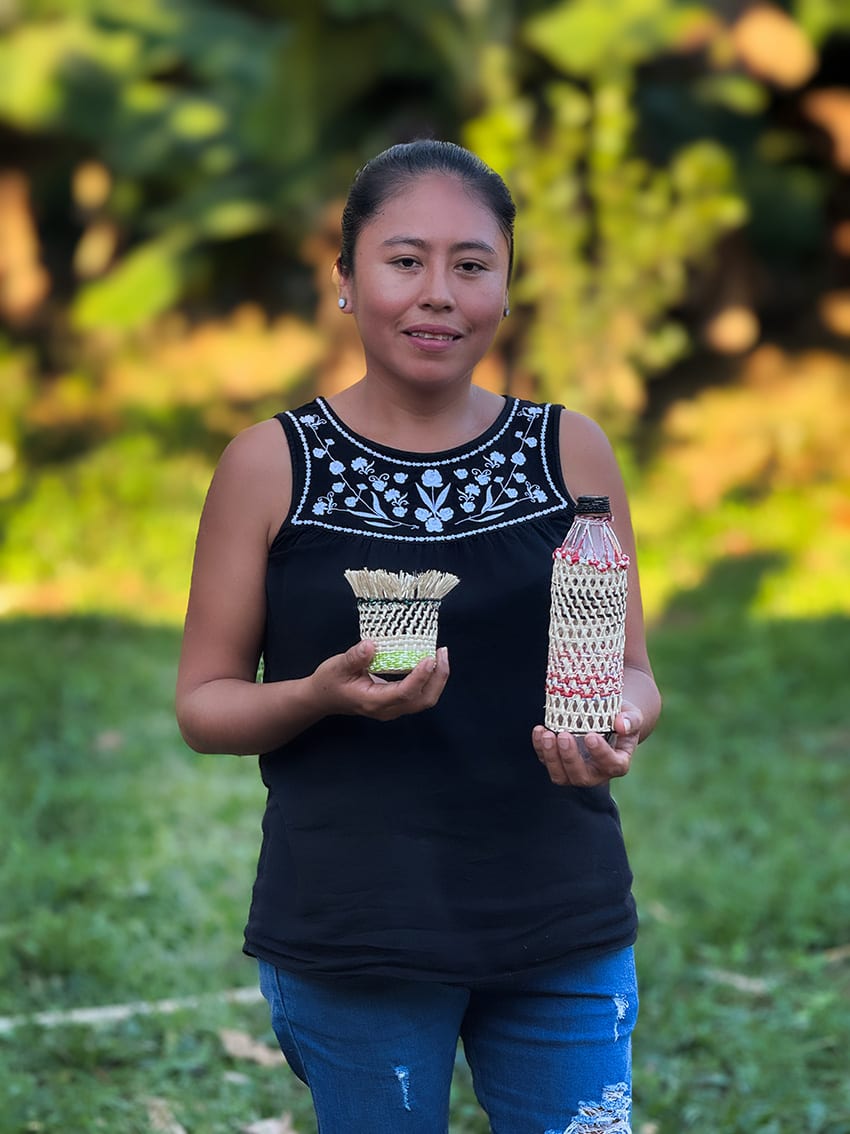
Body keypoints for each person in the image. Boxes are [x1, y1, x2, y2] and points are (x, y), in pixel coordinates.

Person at [176, 139, 662, 1134]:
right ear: (346, 281)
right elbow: (206, 705)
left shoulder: (568, 450)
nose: (438, 292)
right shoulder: (271, 466)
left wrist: (621, 717)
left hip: (560, 918)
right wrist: (319, 693)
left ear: (506, 289)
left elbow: (632, 673)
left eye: (471, 264)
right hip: (356, 928)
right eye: (404, 261)